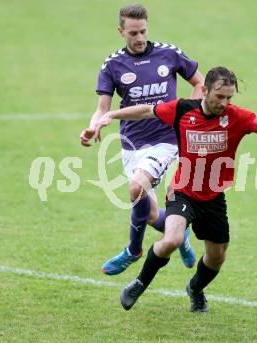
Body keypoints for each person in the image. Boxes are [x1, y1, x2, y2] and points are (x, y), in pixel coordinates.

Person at [93, 66, 257, 312]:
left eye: (229, 97)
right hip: (183, 190)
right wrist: (112, 114)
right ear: (205, 90)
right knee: (173, 239)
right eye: (220, 96)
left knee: (217, 257)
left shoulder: (238, 117)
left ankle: (195, 289)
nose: (224, 102)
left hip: (214, 197)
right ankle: (139, 283)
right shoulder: (183, 109)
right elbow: (146, 111)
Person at [80, 4, 204, 275]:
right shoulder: (113, 64)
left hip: (166, 140)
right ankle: (178, 234)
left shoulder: (169, 53)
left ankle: (133, 251)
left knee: (136, 187)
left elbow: (200, 83)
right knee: (148, 214)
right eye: (133, 33)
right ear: (121, 31)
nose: (139, 38)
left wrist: (185, 112)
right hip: (132, 144)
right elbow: (103, 108)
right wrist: (92, 127)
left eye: (143, 32)